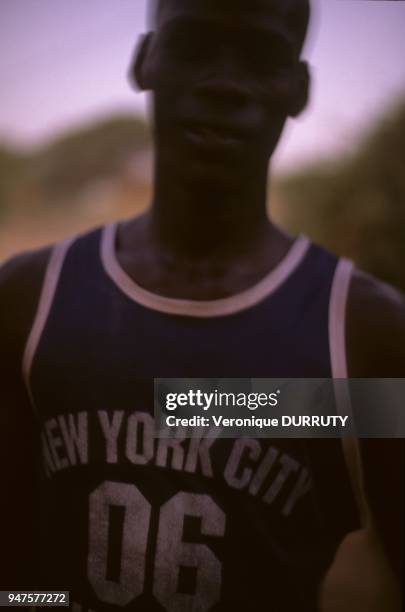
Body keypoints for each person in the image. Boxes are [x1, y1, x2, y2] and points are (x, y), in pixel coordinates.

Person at [0, 0, 403, 610]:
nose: (222, 83)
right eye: (192, 44)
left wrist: (210, 404)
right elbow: (16, 575)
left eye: (262, 56)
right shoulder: (28, 299)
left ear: (298, 90)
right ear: (144, 61)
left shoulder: (364, 332)